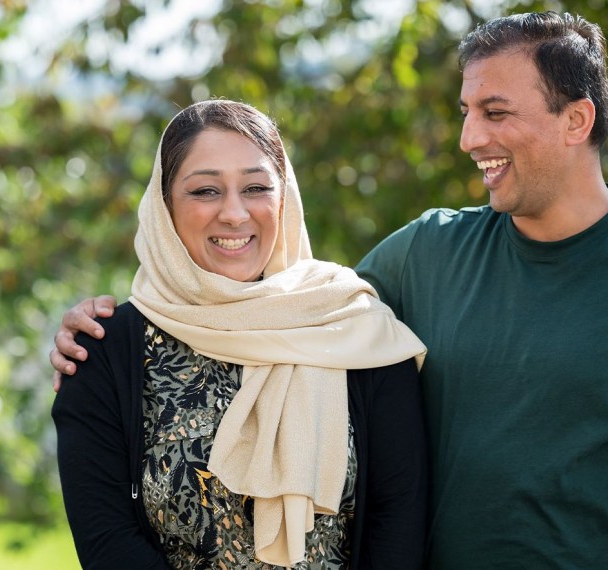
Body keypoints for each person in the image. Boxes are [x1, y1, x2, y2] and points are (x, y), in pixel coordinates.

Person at [50, 12, 608, 569]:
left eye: (494, 112)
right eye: (465, 112)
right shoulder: (427, 252)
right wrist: (108, 324)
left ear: (576, 119)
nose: (469, 138)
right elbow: (278, 307)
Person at [51, 99, 429, 570]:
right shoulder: (104, 353)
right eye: (205, 191)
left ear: (284, 199)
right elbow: (107, 538)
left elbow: (397, 520)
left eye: (255, 187)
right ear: (164, 205)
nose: (233, 213)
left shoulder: (355, 330)